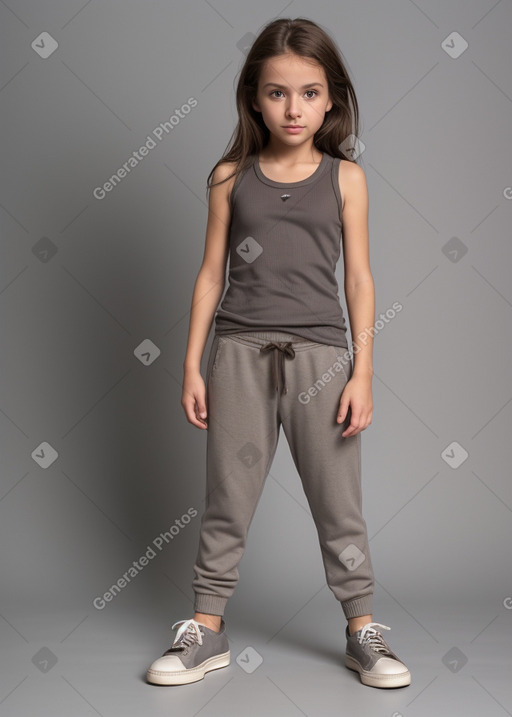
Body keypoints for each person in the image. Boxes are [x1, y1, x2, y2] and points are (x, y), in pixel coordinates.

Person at [146, 16, 411, 690]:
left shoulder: (345, 178)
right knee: (227, 500)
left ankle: (363, 630)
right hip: (236, 351)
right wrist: (189, 364)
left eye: (310, 92)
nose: (294, 108)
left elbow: (359, 278)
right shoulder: (230, 176)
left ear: (332, 99)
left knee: (337, 502)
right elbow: (211, 274)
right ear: (254, 98)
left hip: (322, 357)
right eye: (277, 93)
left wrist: (365, 372)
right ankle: (206, 629)